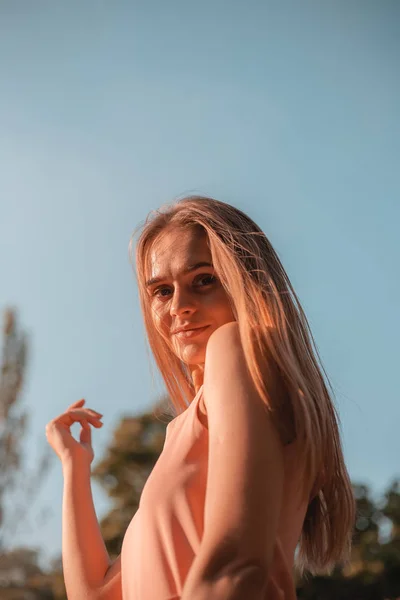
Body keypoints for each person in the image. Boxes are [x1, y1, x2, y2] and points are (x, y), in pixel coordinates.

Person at [46, 195, 356, 599]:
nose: (179, 306)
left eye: (204, 280)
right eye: (161, 290)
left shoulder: (235, 347)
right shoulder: (186, 428)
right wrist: (75, 466)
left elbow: (237, 564)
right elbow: (96, 593)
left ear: (249, 283)